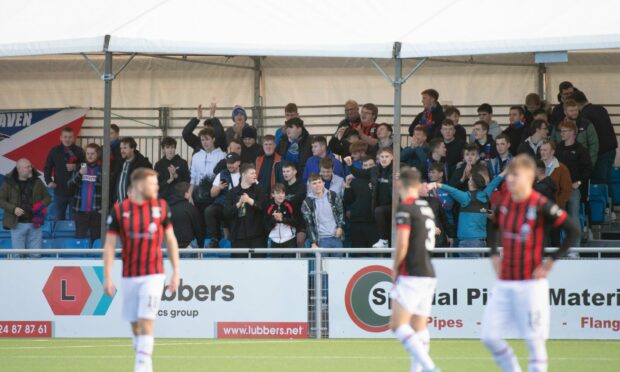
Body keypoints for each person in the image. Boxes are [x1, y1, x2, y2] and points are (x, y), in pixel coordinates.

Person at [481, 155, 579, 372]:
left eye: (515, 176)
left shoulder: (540, 203)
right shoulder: (505, 203)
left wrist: (552, 260)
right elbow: (494, 225)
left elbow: (573, 229)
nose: (510, 180)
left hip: (531, 283)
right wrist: (494, 253)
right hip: (505, 282)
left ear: (528, 177)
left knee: (534, 342)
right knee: (489, 336)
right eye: (509, 176)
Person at [103, 168, 180, 372]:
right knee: (135, 324)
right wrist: (107, 277)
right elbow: (110, 245)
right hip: (129, 275)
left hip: (154, 273)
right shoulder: (119, 211)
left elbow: (170, 240)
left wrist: (176, 272)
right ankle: (143, 356)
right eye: (153, 183)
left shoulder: (161, 207)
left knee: (147, 320)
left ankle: (143, 366)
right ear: (139, 186)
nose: (157, 187)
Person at [390, 167, 440, 372]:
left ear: (400, 183)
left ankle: (430, 367)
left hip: (412, 271)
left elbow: (402, 243)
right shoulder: (425, 207)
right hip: (428, 271)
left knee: (398, 325)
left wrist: (395, 268)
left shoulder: (405, 207)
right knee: (419, 327)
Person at [427, 166, 505, 252]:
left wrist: (436, 184)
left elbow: (452, 190)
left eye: (470, 179)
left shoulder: (465, 197)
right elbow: (494, 183)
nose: (468, 181)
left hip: (468, 242)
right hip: (482, 242)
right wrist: (505, 172)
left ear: (471, 183)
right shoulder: (484, 196)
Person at [345, 148, 394, 248]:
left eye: (387, 156)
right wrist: (350, 165)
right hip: (380, 210)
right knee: (379, 211)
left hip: (394, 205)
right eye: (382, 157)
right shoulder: (374, 171)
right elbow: (358, 173)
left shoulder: (397, 169)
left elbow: (407, 170)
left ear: (392, 158)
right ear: (378, 159)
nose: (384, 159)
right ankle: (384, 240)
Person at [0, 158, 50, 250]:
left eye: (30, 166)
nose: (30, 168)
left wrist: (40, 205)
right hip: (17, 224)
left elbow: (47, 197)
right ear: (19, 169)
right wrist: (13, 209)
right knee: (18, 257)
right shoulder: (8, 182)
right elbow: (1, 200)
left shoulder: (37, 181)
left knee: (35, 256)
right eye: (27, 167)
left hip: (35, 223)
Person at [572, 90, 618, 191]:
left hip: (600, 151)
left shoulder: (584, 115)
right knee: (608, 178)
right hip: (611, 148)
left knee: (598, 181)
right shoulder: (601, 108)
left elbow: (589, 138)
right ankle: (609, 203)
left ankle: (602, 205)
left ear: (576, 104)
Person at [555, 121, 592, 246]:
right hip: (559, 189)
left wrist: (579, 182)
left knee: (574, 215)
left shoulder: (581, 150)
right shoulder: (558, 148)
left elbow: (588, 169)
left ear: (572, 132)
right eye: (561, 131)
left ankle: (575, 248)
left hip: (573, 189)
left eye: (564, 131)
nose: (562, 134)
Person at [44, 127, 85, 219]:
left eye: (70, 137)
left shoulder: (79, 151)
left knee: (74, 221)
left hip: (75, 192)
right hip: (59, 191)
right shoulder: (54, 151)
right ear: (61, 138)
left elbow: (85, 166)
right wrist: (49, 181)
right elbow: (47, 168)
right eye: (65, 137)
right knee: (57, 220)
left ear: (73, 138)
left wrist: (76, 166)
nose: (67, 139)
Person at [224, 164, 268, 250]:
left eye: (255, 173)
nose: (255, 175)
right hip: (238, 236)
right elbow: (226, 212)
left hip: (257, 236)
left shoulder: (260, 190)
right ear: (243, 175)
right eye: (252, 173)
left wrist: (250, 201)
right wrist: (238, 203)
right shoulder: (232, 192)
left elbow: (264, 208)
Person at [203, 153, 241, 248]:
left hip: (238, 206)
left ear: (239, 162)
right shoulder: (222, 174)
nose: (230, 165)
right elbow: (212, 194)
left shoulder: (244, 173)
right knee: (209, 211)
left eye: (232, 163)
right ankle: (215, 239)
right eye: (228, 163)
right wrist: (219, 188)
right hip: (222, 204)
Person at [68, 143, 102, 243]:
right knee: (80, 238)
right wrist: (79, 174)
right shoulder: (80, 167)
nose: (90, 156)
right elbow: (69, 184)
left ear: (98, 154)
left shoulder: (102, 168)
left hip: (97, 211)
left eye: (92, 153)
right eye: (88, 153)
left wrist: (104, 208)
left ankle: (95, 259)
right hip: (80, 211)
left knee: (96, 239)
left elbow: (108, 189)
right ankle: (80, 258)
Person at [301, 173, 345, 251]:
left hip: (336, 236)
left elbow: (340, 212)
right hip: (320, 240)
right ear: (310, 186)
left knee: (338, 262)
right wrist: (313, 242)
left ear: (323, 183)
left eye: (319, 182)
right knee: (321, 263)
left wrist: (340, 227)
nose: (317, 185)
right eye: (314, 183)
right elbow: (309, 224)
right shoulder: (307, 202)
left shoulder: (333, 195)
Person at [343, 156, 379, 248]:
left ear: (375, 166)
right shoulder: (354, 181)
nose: (368, 167)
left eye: (371, 165)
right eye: (365, 165)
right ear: (362, 167)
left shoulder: (379, 181)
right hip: (357, 221)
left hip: (374, 222)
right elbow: (348, 201)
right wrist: (347, 185)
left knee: (378, 253)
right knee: (358, 254)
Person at [551, 99, 599, 165]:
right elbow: (552, 144)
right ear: (565, 112)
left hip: (582, 163)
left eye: (576, 110)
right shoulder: (557, 126)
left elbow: (594, 145)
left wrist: (589, 163)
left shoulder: (586, 124)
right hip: (562, 163)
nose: (575, 113)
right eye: (571, 111)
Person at [188, 128, 226, 207]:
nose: (205, 142)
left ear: (213, 139)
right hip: (198, 196)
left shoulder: (222, 155)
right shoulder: (196, 156)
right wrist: (190, 194)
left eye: (207, 139)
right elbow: (193, 177)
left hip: (215, 196)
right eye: (202, 140)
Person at [113, 137, 152, 203]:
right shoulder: (118, 162)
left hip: (134, 205)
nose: (122, 151)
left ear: (132, 148)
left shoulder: (142, 164)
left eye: (125, 148)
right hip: (118, 205)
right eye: (121, 148)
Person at [169, 182, 204, 250]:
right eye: (191, 193)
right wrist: (201, 247)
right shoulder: (191, 209)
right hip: (187, 246)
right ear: (186, 194)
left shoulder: (168, 208)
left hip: (170, 246)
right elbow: (199, 230)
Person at [154, 137, 190, 203]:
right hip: (163, 197)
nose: (170, 150)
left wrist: (176, 176)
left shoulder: (182, 163)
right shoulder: (158, 165)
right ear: (163, 149)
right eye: (167, 147)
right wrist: (169, 181)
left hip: (179, 196)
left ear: (175, 148)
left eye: (172, 147)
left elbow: (187, 182)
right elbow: (156, 185)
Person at [540, 140, 572, 210]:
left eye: (545, 150)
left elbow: (566, 190)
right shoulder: (535, 167)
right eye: (541, 150)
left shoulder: (562, 169)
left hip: (555, 207)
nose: (542, 152)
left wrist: (557, 204)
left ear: (552, 152)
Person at [428, 161, 456, 242]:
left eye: (433, 172)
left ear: (441, 174)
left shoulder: (447, 188)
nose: (430, 174)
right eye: (430, 172)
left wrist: (436, 198)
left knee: (447, 252)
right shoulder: (427, 188)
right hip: (434, 223)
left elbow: (448, 206)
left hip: (448, 224)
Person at [266, 183, 297, 256]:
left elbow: (296, 222)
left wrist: (282, 219)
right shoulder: (269, 206)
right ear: (273, 194)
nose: (281, 195)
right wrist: (274, 219)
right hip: (274, 241)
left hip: (289, 240)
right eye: (278, 193)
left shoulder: (290, 205)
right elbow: (265, 225)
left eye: (283, 193)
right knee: (275, 266)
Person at [281, 161, 307, 248]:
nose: (285, 174)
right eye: (284, 171)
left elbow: (298, 199)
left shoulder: (302, 185)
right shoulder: (282, 186)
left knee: (300, 241)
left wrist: (285, 201)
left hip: (300, 220)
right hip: (287, 221)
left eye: (287, 171)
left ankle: (303, 261)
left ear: (295, 171)